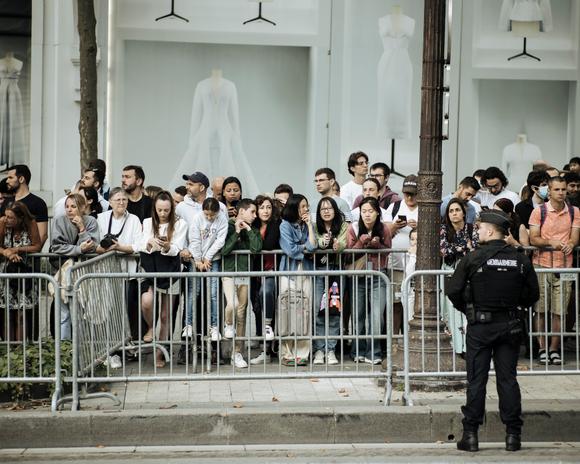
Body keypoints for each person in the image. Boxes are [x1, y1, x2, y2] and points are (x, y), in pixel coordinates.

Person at [446, 210, 539, 453]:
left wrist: (468, 309)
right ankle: (512, 436)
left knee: (477, 380)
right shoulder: (520, 259)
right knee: (508, 380)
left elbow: (453, 290)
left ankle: (471, 436)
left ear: (489, 231)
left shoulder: (474, 258)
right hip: (510, 325)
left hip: (480, 326)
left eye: (479, 229)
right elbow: (532, 295)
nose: (477, 232)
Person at [529, 176, 580, 365]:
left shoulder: (574, 212)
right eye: (557, 189)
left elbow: (575, 237)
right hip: (541, 265)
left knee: (560, 312)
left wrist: (571, 244)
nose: (561, 193)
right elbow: (534, 238)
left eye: (563, 189)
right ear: (548, 191)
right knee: (540, 310)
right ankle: (542, 348)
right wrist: (551, 242)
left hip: (565, 266)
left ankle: (554, 349)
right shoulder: (538, 212)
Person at [138, 191, 187, 368]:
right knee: (147, 301)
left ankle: (159, 353)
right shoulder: (147, 222)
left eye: (166, 210)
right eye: (160, 210)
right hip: (150, 266)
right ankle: (151, 326)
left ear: (171, 209)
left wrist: (167, 246)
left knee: (166, 315)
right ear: (155, 208)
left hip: (171, 268)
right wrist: (150, 242)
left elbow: (178, 248)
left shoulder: (180, 224)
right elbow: (140, 244)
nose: (163, 213)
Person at [96, 187, 144, 345]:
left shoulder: (134, 220)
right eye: (117, 200)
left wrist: (119, 247)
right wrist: (106, 248)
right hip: (105, 271)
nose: (121, 203)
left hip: (126, 272)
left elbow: (138, 246)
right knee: (106, 309)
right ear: (109, 201)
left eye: (124, 199)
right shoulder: (101, 218)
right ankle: (109, 344)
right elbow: (96, 243)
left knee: (125, 309)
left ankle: (126, 342)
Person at [347, 197, 392, 364]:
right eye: (364, 211)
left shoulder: (384, 229)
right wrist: (361, 242)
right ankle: (357, 350)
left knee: (376, 315)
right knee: (357, 314)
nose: (367, 214)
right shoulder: (354, 228)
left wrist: (377, 245)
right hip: (358, 276)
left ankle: (374, 352)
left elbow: (388, 250)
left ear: (377, 213)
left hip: (378, 275)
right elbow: (348, 253)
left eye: (371, 211)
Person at [49, 193, 99, 340]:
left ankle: (80, 349)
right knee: (63, 314)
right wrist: (78, 250)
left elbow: (93, 246)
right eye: (67, 206)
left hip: (83, 273)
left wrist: (82, 229)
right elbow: (56, 246)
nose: (69, 210)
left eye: (73, 206)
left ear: (82, 207)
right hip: (62, 272)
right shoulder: (59, 221)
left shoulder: (91, 222)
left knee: (80, 313)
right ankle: (65, 350)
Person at [221, 198, 262, 368]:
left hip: (244, 274)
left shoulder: (253, 228)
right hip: (229, 273)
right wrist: (237, 232)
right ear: (242, 211)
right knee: (233, 304)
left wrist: (249, 230)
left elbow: (256, 248)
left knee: (242, 314)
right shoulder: (228, 226)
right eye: (252, 211)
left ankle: (237, 353)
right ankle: (227, 324)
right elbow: (223, 250)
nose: (255, 215)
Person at [278, 194, 317, 366]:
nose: (306, 209)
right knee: (287, 310)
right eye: (302, 206)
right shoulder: (285, 225)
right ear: (294, 207)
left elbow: (314, 245)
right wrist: (306, 248)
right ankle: (287, 353)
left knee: (305, 309)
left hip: (306, 270)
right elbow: (291, 250)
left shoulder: (307, 225)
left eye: (307, 206)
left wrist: (309, 225)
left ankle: (303, 352)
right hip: (289, 271)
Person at [185, 197, 228, 346]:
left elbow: (220, 241)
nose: (209, 218)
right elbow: (194, 239)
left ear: (217, 212)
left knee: (213, 293)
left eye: (212, 215)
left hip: (212, 259)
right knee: (193, 291)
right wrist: (197, 259)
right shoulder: (197, 218)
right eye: (207, 214)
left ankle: (214, 327)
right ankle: (188, 325)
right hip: (195, 258)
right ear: (202, 211)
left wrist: (207, 258)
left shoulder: (222, 218)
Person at [439, 198, 478, 357]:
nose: (454, 214)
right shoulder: (443, 229)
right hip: (449, 272)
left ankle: (468, 347)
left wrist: (457, 249)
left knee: (468, 309)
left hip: (468, 272)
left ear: (463, 212)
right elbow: (444, 251)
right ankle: (455, 346)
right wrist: (463, 247)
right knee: (451, 309)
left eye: (457, 210)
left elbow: (475, 249)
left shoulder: (471, 228)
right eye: (451, 211)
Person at [312, 196, 347, 365]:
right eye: (323, 209)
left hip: (336, 272)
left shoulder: (343, 226)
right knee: (318, 310)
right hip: (318, 271)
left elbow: (344, 242)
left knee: (334, 311)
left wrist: (336, 245)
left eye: (329, 208)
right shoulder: (314, 226)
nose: (326, 211)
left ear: (335, 210)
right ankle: (319, 349)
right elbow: (312, 242)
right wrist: (321, 242)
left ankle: (331, 349)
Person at [0, 202, 42, 341]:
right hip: (6, 274)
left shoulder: (30, 223)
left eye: (11, 217)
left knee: (22, 314)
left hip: (25, 274)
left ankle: (21, 351)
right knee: (8, 314)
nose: (7, 219)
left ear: (20, 218)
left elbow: (37, 246)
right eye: (6, 216)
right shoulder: (2, 223)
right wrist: (7, 253)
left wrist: (18, 249)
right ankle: (9, 349)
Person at [385, 174, 419, 335]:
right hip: (396, 264)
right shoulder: (395, 207)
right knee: (396, 302)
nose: (410, 197)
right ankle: (395, 339)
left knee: (415, 303)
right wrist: (394, 226)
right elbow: (386, 233)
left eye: (414, 193)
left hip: (417, 265)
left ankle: (411, 336)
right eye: (407, 193)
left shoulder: (426, 208)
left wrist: (420, 226)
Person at [249, 195, 281, 365]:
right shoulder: (252, 225)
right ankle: (265, 351)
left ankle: (270, 347)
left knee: (267, 296)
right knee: (257, 307)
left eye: (268, 207)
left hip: (270, 271)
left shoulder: (276, 225)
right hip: (255, 273)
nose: (265, 211)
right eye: (262, 207)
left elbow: (267, 246)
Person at [2, 165, 48, 247]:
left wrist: (30, 253)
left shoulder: (38, 203)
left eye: (10, 177)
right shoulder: (7, 202)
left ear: (21, 179)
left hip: (28, 257)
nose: (7, 181)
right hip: (6, 256)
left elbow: (43, 235)